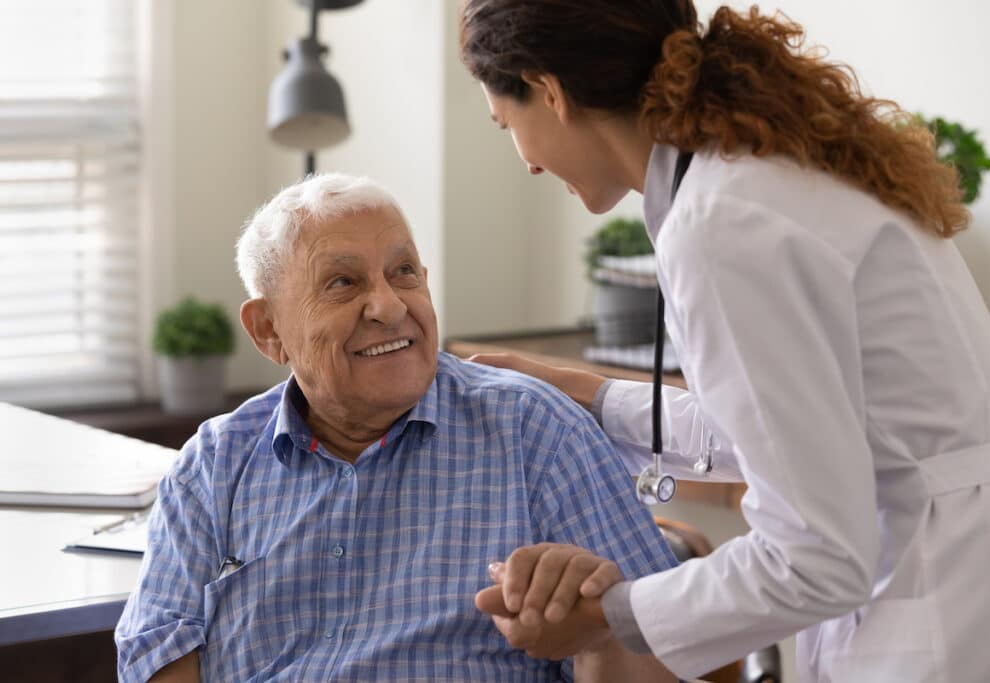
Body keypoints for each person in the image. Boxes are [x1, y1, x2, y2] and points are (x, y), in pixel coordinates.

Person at [459, 1, 990, 681]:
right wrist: (596, 396)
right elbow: (792, 427)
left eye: (505, 125)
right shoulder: (763, 171)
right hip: (971, 572)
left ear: (548, 93)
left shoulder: (721, 223)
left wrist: (610, 614)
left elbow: (813, 557)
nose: (524, 162)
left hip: (942, 616)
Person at [114, 174, 679, 682]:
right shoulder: (214, 463)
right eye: (343, 283)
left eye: (402, 272)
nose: (387, 306)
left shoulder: (535, 433)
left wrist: (600, 628)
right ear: (268, 331)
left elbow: (665, 660)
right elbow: (156, 653)